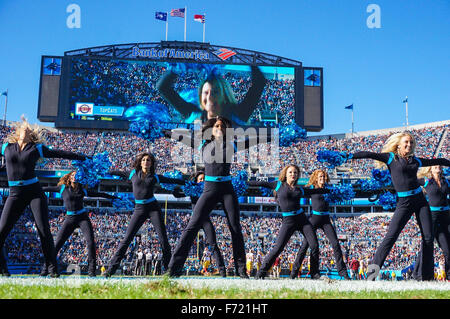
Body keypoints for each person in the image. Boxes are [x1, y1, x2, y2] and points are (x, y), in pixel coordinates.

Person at [165, 116, 269, 278]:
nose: (219, 128)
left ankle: (241, 270)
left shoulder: (232, 145)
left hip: (227, 189)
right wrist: (168, 133)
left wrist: (269, 136)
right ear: (211, 130)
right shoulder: (203, 145)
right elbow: (184, 139)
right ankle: (174, 268)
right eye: (216, 126)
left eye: (222, 126)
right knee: (192, 225)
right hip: (209, 188)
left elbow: (251, 141)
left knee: (235, 227)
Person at [347, 131, 450, 281]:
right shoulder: (390, 158)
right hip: (404, 203)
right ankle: (371, 276)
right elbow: (368, 154)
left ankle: (426, 279)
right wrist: (349, 156)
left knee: (428, 238)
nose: (409, 145)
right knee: (390, 237)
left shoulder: (416, 161)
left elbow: (438, 160)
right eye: (406, 142)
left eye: (411, 143)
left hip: (420, 201)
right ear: (398, 145)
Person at [0, 117, 88, 277]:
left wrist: (82, 157)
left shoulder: (37, 148)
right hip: (14, 194)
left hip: (34, 192)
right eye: (23, 127)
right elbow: (7, 165)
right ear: (18, 132)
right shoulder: (6, 147)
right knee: (1, 231)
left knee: (44, 232)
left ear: (32, 134)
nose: (26, 128)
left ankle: (53, 270)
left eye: (29, 128)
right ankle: (3, 269)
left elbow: (60, 154)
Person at [103, 152, 185, 277]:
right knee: (127, 239)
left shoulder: (155, 177)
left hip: (153, 208)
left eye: (148, 160)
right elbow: (116, 173)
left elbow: (172, 180)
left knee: (163, 238)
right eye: (144, 160)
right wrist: (105, 171)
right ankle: (110, 270)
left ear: (151, 164)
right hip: (139, 208)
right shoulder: (132, 174)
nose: (146, 162)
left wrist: (187, 182)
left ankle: (170, 270)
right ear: (140, 162)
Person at [248, 165, 328, 280]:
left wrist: (331, 190)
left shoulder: (300, 189)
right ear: (285, 174)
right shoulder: (278, 184)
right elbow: (260, 183)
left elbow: (315, 190)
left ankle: (315, 274)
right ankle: (261, 273)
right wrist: (246, 181)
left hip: (302, 220)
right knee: (278, 248)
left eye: (295, 173)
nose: (293, 174)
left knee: (314, 245)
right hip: (288, 221)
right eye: (290, 172)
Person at [41, 171, 118, 277]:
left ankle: (91, 271)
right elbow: (46, 189)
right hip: (69, 218)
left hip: (82, 218)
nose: (74, 177)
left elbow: (98, 194)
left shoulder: (82, 190)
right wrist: (32, 189)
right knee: (57, 244)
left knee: (90, 242)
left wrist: (112, 197)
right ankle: (46, 269)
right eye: (72, 175)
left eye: (76, 175)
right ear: (69, 178)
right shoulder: (63, 188)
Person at [289, 169, 351, 280]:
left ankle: (343, 273)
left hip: (326, 220)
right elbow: (298, 192)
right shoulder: (312, 188)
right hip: (314, 219)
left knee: (336, 244)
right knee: (305, 245)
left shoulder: (328, 189)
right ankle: (294, 273)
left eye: (324, 176)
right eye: (320, 177)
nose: (322, 179)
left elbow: (340, 193)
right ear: (316, 178)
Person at [157, 65, 267, 126]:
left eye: (215, 92)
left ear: (224, 96)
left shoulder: (238, 114)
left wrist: (247, 60)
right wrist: (177, 68)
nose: (209, 97)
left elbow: (259, 82)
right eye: (206, 92)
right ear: (200, 96)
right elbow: (163, 88)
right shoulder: (194, 114)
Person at [172, 171, 227, 277]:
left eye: (204, 179)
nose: (202, 181)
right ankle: (175, 268)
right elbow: (177, 194)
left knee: (213, 244)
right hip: (195, 219)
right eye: (200, 179)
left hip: (205, 219)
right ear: (196, 181)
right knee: (185, 243)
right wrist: (173, 187)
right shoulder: (192, 190)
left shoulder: (209, 191)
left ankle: (222, 271)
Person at [413, 165, 450, 280]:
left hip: (445, 216)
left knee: (448, 249)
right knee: (427, 244)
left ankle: (448, 276)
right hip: (431, 216)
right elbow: (408, 181)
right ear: (430, 169)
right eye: (435, 166)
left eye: (439, 166)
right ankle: (418, 275)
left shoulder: (447, 182)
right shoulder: (426, 181)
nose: (438, 167)